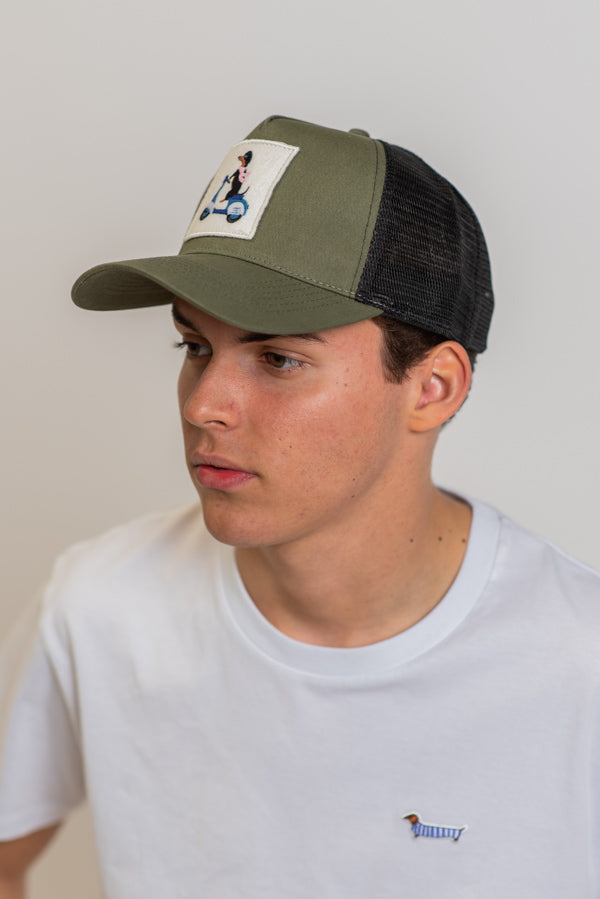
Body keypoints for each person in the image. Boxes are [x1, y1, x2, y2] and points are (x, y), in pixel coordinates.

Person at [0, 114, 598, 899]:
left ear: (433, 386)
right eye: (195, 346)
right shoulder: (103, 607)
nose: (204, 405)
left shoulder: (577, 662)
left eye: (278, 357)